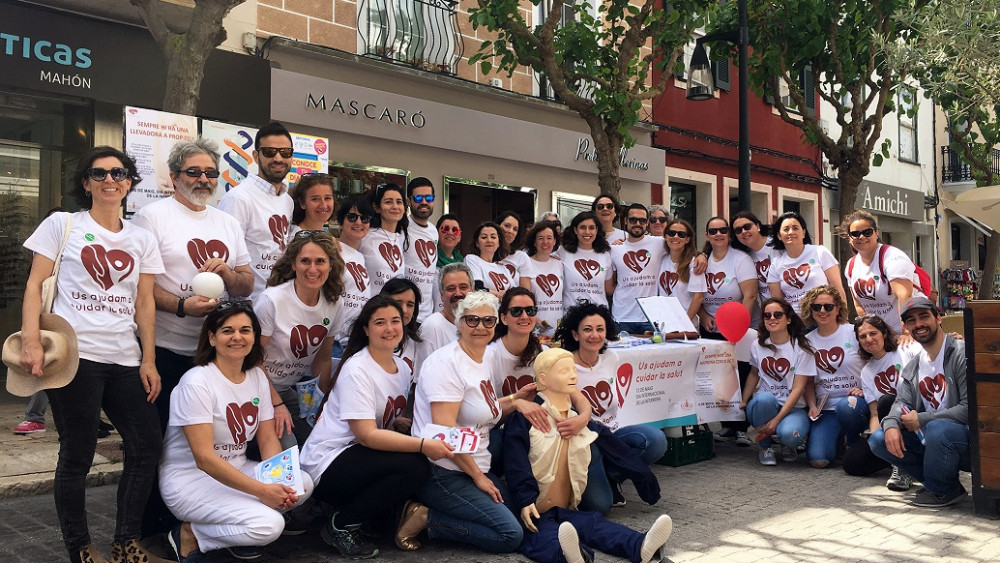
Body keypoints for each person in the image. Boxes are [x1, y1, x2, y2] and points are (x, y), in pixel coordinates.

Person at [20, 147, 164, 563]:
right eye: (98, 174)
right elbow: (35, 285)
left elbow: (145, 304)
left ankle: (125, 543)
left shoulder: (141, 238)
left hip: (124, 358)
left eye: (119, 173)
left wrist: (148, 359)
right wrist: (32, 339)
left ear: (130, 182)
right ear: (85, 183)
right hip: (74, 358)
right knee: (78, 454)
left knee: (146, 447)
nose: (109, 180)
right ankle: (80, 548)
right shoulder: (62, 224)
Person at [131, 138, 254, 538]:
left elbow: (246, 283)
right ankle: (149, 528)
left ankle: (200, 517)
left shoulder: (227, 223)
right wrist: (183, 307)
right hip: (166, 350)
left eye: (210, 173)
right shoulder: (152, 217)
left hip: (214, 357)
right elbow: (140, 288)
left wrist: (228, 276)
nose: (203, 179)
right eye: (193, 172)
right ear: (173, 177)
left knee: (209, 444)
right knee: (158, 440)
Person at [300, 296, 453, 558]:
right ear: (366, 329)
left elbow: (382, 416)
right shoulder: (358, 369)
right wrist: (423, 444)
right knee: (414, 464)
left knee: (405, 477)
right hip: (328, 462)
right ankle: (341, 524)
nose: (390, 328)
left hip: (359, 455)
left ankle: (363, 517)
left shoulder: (403, 368)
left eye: (395, 321)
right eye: (380, 322)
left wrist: (398, 422)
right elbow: (367, 435)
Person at [159, 303, 313, 563]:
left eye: (245, 330)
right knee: (270, 526)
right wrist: (262, 491)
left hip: (237, 467)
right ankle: (191, 533)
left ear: (254, 337)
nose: (237, 337)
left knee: (302, 483)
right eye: (227, 330)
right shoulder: (197, 382)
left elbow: (266, 438)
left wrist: (276, 481)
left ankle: (236, 532)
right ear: (212, 337)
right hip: (190, 481)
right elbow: (205, 459)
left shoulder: (255, 376)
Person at [503, 348, 674, 563]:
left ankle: (641, 546)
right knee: (542, 538)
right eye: (564, 371)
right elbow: (515, 461)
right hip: (535, 512)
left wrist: (645, 481)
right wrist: (524, 499)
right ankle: (570, 556)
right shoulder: (526, 418)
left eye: (573, 370)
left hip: (568, 509)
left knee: (595, 524)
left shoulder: (577, 420)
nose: (573, 375)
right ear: (544, 379)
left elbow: (617, 450)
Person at [411, 292, 528, 553]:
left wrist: (515, 400)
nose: (481, 327)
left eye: (488, 320)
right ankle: (425, 518)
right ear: (459, 322)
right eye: (472, 320)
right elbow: (445, 434)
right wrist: (478, 477)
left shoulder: (484, 355)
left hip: (475, 460)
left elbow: (479, 409)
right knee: (510, 535)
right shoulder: (446, 364)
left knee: (518, 514)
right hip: (443, 470)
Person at [553, 302, 668, 513]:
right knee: (601, 506)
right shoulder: (564, 365)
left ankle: (611, 475)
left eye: (600, 329)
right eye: (587, 329)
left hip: (613, 434)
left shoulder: (611, 358)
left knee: (656, 440)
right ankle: (601, 477)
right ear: (575, 334)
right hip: (586, 442)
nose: (594, 335)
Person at [868, 296, 971, 508]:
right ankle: (944, 486)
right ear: (906, 327)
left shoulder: (961, 353)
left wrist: (922, 419)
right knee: (879, 439)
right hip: (933, 439)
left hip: (969, 440)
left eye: (924, 316)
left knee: (937, 428)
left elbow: (970, 409)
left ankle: (941, 491)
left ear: (938, 318)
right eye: (911, 321)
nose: (919, 324)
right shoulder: (914, 364)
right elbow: (900, 402)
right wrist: (890, 425)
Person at [255, 231, 343, 448]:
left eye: (320, 261)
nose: (313, 269)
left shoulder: (334, 303)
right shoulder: (271, 301)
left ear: (331, 265)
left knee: (320, 441)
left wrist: (318, 405)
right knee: (291, 447)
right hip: (255, 390)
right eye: (305, 261)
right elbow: (251, 359)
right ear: (293, 264)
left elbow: (323, 358)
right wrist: (276, 403)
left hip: (287, 390)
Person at [218, 122, 295, 300]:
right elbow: (226, 260)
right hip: (249, 306)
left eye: (285, 153)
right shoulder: (238, 198)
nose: (278, 158)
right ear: (255, 155)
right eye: (269, 152)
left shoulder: (287, 201)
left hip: (280, 302)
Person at [841, 315, 920, 488]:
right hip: (889, 427)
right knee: (852, 463)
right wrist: (875, 442)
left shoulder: (905, 349)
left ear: (884, 333)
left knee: (888, 402)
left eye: (873, 333)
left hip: (916, 419)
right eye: (863, 336)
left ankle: (902, 468)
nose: (869, 339)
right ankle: (905, 460)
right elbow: (875, 413)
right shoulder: (867, 371)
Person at [741, 298, 816, 466]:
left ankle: (787, 445)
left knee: (790, 435)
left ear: (788, 319)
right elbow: (754, 373)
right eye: (767, 315)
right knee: (763, 399)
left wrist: (777, 420)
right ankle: (764, 446)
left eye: (777, 314)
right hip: (766, 406)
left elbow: (798, 388)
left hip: (794, 408)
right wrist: (744, 400)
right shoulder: (757, 345)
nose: (772, 318)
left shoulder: (801, 347)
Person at [13, 205, 66, 436]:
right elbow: (34, 285)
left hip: (74, 318)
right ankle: (35, 417)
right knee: (45, 365)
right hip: (49, 316)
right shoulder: (45, 248)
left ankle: (92, 419)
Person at [800, 286, 866, 469]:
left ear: (838, 308)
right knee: (818, 460)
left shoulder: (853, 333)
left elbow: (873, 364)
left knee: (848, 407)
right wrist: (812, 406)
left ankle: (854, 441)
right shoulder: (807, 341)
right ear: (810, 309)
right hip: (826, 408)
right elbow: (807, 382)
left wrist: (866, 390)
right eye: (817, 307)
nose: (822, 311)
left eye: (828, 307)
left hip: (856, 402)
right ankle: (837, 441)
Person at [842, 210, 918, 336]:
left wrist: (906, 332)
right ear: (849, 238)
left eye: (867, 232)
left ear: (876, 233)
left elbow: (905, 296)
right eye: (855, 234)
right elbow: (859, 304)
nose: (861, 237)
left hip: (908, 332)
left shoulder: (893, 257)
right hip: (881, 337)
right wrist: (870, 332)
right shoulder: (851, 265)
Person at [766, 211, 845, 316]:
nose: (791, 232)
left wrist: (843, 318)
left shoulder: (820, 252)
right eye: (786, 229)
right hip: (795, 323)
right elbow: (777, 303)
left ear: (803, 233)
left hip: (823, 316)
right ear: (779, 236)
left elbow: (838, 289)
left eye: (795, 228)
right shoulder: (775, 264)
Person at [606, 204, 663, 335]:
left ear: (647, 223)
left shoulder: (659, 243)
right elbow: (609, 288)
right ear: (625, 221)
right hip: (622, 317)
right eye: (633, 220)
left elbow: (684, 248)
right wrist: (627, 289)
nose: (637, 223)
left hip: (651, 317)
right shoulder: (614, 249)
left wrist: (702, 255)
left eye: (642, 220)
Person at [698, 216, 757, 339]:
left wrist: (739, 325)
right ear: (707, 236)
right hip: (709, 330)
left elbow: (750, 296)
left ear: (729, 234)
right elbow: (694, 295)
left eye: (723, 230)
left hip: (737, 330)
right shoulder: (701, 262)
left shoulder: (742, 259)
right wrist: (703, 317)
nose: (718, 234)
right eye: (713, 231)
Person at [331, 197, 375, 358]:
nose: (358, 222)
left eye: (364, 218)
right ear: (341, 221)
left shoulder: (360, 257)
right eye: (352, 217)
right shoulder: (332, 249)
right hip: (334, 342)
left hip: (355, 341)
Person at [558, 212, 612, 311]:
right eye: (582, 227)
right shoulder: (562, 252)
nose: (587, 232)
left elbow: (609, 289)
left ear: (597, 230)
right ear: (575, 230)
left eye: (591, 228)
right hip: (571, 314)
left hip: (599, 314)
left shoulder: (605, 255)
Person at [361, 183, 409, 294]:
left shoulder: (402, 238)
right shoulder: (365, 236)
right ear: (377, 207)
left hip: (395, 307)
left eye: (399, 202)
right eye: (388, 202)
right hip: (371, 307)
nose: (395, 206)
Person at [419, 262, 474, 357]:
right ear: (442, 296)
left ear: (472, 291)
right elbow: (424, 369)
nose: (458, 293)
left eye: (463, 287)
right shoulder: (432, 327)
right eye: (451, 288)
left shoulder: (479, 324)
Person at [730, 211, 775, 327]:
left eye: (747, 226)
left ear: (758, 226)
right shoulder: (744, 256)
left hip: (794, 309)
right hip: (771, 315)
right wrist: (704, 255)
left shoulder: (777, 244)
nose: (744, 232)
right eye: (738, 230)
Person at [403, 177, 438, 323]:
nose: (424, 202)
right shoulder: (401, 227)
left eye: (429, 197)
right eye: (418, 198)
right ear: (409, 201)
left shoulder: (433, 231)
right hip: (405, 312)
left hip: (427, 314)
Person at [656, 219, 705, 321]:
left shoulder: (694, 263)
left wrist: (685, 323)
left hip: (685, 324)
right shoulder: (661, 259)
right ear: (665, 236)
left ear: (687, 239)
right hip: (663, 322)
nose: (675, 237)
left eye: (681, 234)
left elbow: (698, 296)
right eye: (671, 233)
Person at [524, 221, 564, 337]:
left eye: (549, 238)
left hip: (558, 328)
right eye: (540, 238)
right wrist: (539, 323)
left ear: (555, 241)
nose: (545, 242)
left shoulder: (559, 263)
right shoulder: (526, 264)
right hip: (536, 328)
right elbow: (524, 300)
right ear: (534, 242)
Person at [380, 278, 424, 377]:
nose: (404, 310)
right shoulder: (373, 340)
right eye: (398, 303)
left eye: (410, 305)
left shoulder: (416, 340)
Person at [465, 221, 516, 296]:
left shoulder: (503, 268)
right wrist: (500, 295)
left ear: (498, 243)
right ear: (477, 243)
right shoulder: (472, 259)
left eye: (493, 237)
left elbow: (515, 292)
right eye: (484, 237)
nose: (489, 240)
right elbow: (477, 288)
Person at [497, 210, 534, 289]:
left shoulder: (522, 257)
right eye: (507, 226)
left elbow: (525, 292)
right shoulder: (484, 254)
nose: (510, 231)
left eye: (515, 229)